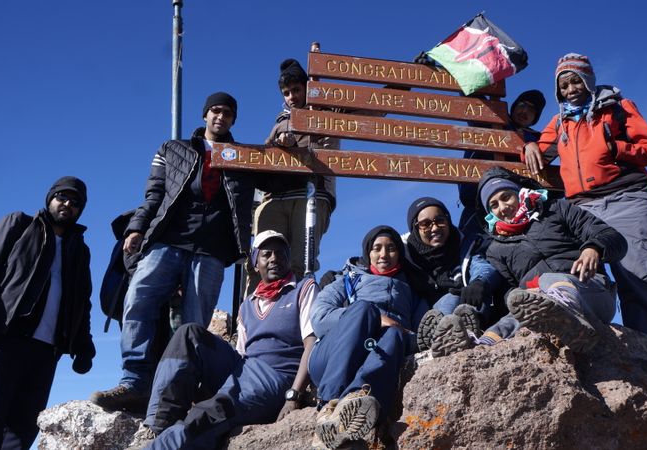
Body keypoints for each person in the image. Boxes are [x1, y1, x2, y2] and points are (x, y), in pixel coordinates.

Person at [91, 92, 258, 413]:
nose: (220, 117)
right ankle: (135, 381)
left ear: (234, 120)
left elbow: (276, 178)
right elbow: (154, 191)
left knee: (192, 325)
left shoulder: (242, 157)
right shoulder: (173, 148)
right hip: (168, 240)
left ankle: (176, 391)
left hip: (211, 251)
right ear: (205, 115)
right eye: (215, 111)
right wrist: (137, 227)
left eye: (227, 113)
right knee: (138, 300)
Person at [523, 53, 647, 345]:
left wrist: (615, 148)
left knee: (638, 275)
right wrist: (529, 145)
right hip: (583, 208)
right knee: (583, 275)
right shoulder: (559, 122)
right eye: (563, 86)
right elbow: (540, 151)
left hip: (627, 198)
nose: (570, 90)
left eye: (575, 81)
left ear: (588, 80)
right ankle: (596, 344)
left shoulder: (618, 108)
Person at [126, 231, 317, 449]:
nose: (274, 258)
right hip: (244, 368)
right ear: (256, 263)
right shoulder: (247, 306)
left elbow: (311, 344)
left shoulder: (304, 289)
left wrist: (293, 395)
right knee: (189, 334)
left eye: (280, 253)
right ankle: (158, 426)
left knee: (210, 412)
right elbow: (241, 354)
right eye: (266, 254)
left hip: (274, 376)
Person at [430, 167, 627, 356]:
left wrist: (594, 248)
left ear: (519, 191)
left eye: (506, 196)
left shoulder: (557, 209)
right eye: (494, 205)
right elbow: (510, 294)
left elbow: (613, 237)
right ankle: (477, 347)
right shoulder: (496, 249)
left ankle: (572, 322)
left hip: (591, 290)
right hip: (541, 302)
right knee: (510, 315)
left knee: (549, 280)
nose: (503, 207)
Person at [0, 177, 95, 449]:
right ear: (50, 199)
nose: (68, 204)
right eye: (62, 197)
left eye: (76, 202)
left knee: (22, 428)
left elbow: (82, 301)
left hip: (46, 352)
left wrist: (83, 342)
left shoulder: (80, 250)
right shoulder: (20, 225)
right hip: (3, 339)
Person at [308, 225, 426, 449]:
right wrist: (375, 318)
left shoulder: (411, 292)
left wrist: (400, 331)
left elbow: (418, 337)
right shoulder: (347, 281)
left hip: (373, 354)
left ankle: (355, 402)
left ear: (399, 253)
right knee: (364, 309)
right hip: (331, 356)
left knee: (395, 334)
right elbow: (320, 317)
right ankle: (327, 407)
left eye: (391, 248)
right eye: (377, 248)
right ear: (367, 253)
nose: (384, 255)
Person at [246, 59, 339, 295]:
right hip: (275, 197)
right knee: (261, 262)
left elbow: (366, 107)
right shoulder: (279, 123)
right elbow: (264, 159)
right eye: (286, 92)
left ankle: (297, 320)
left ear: (307, 88)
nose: (291, 96)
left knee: (301, 263)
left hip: (312, 193)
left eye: (296, 90)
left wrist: (401, 85)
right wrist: (279, 144)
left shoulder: (328, 114)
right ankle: (254, 321)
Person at [402, 197, 504, 353]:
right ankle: (442, 331)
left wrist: (480, 282)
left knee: (472, 291)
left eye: (439, 220)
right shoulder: (406, 259)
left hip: (469, 304)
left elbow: (481, 266)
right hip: (426, 315)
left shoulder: (465, 243)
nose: (434, 228)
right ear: (415, 228)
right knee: (450, 298)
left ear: (448, 220)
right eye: (425, 224)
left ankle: (462, 326)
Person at [458, 90, 546, 239]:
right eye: (522, 104)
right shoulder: (491, 121)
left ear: (535, 118)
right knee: (471, 249)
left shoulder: (539, 139)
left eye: (532, 109)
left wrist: (531, 143)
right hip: (476, 199)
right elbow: (473, 95)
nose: (525, 110)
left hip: (519, 208)